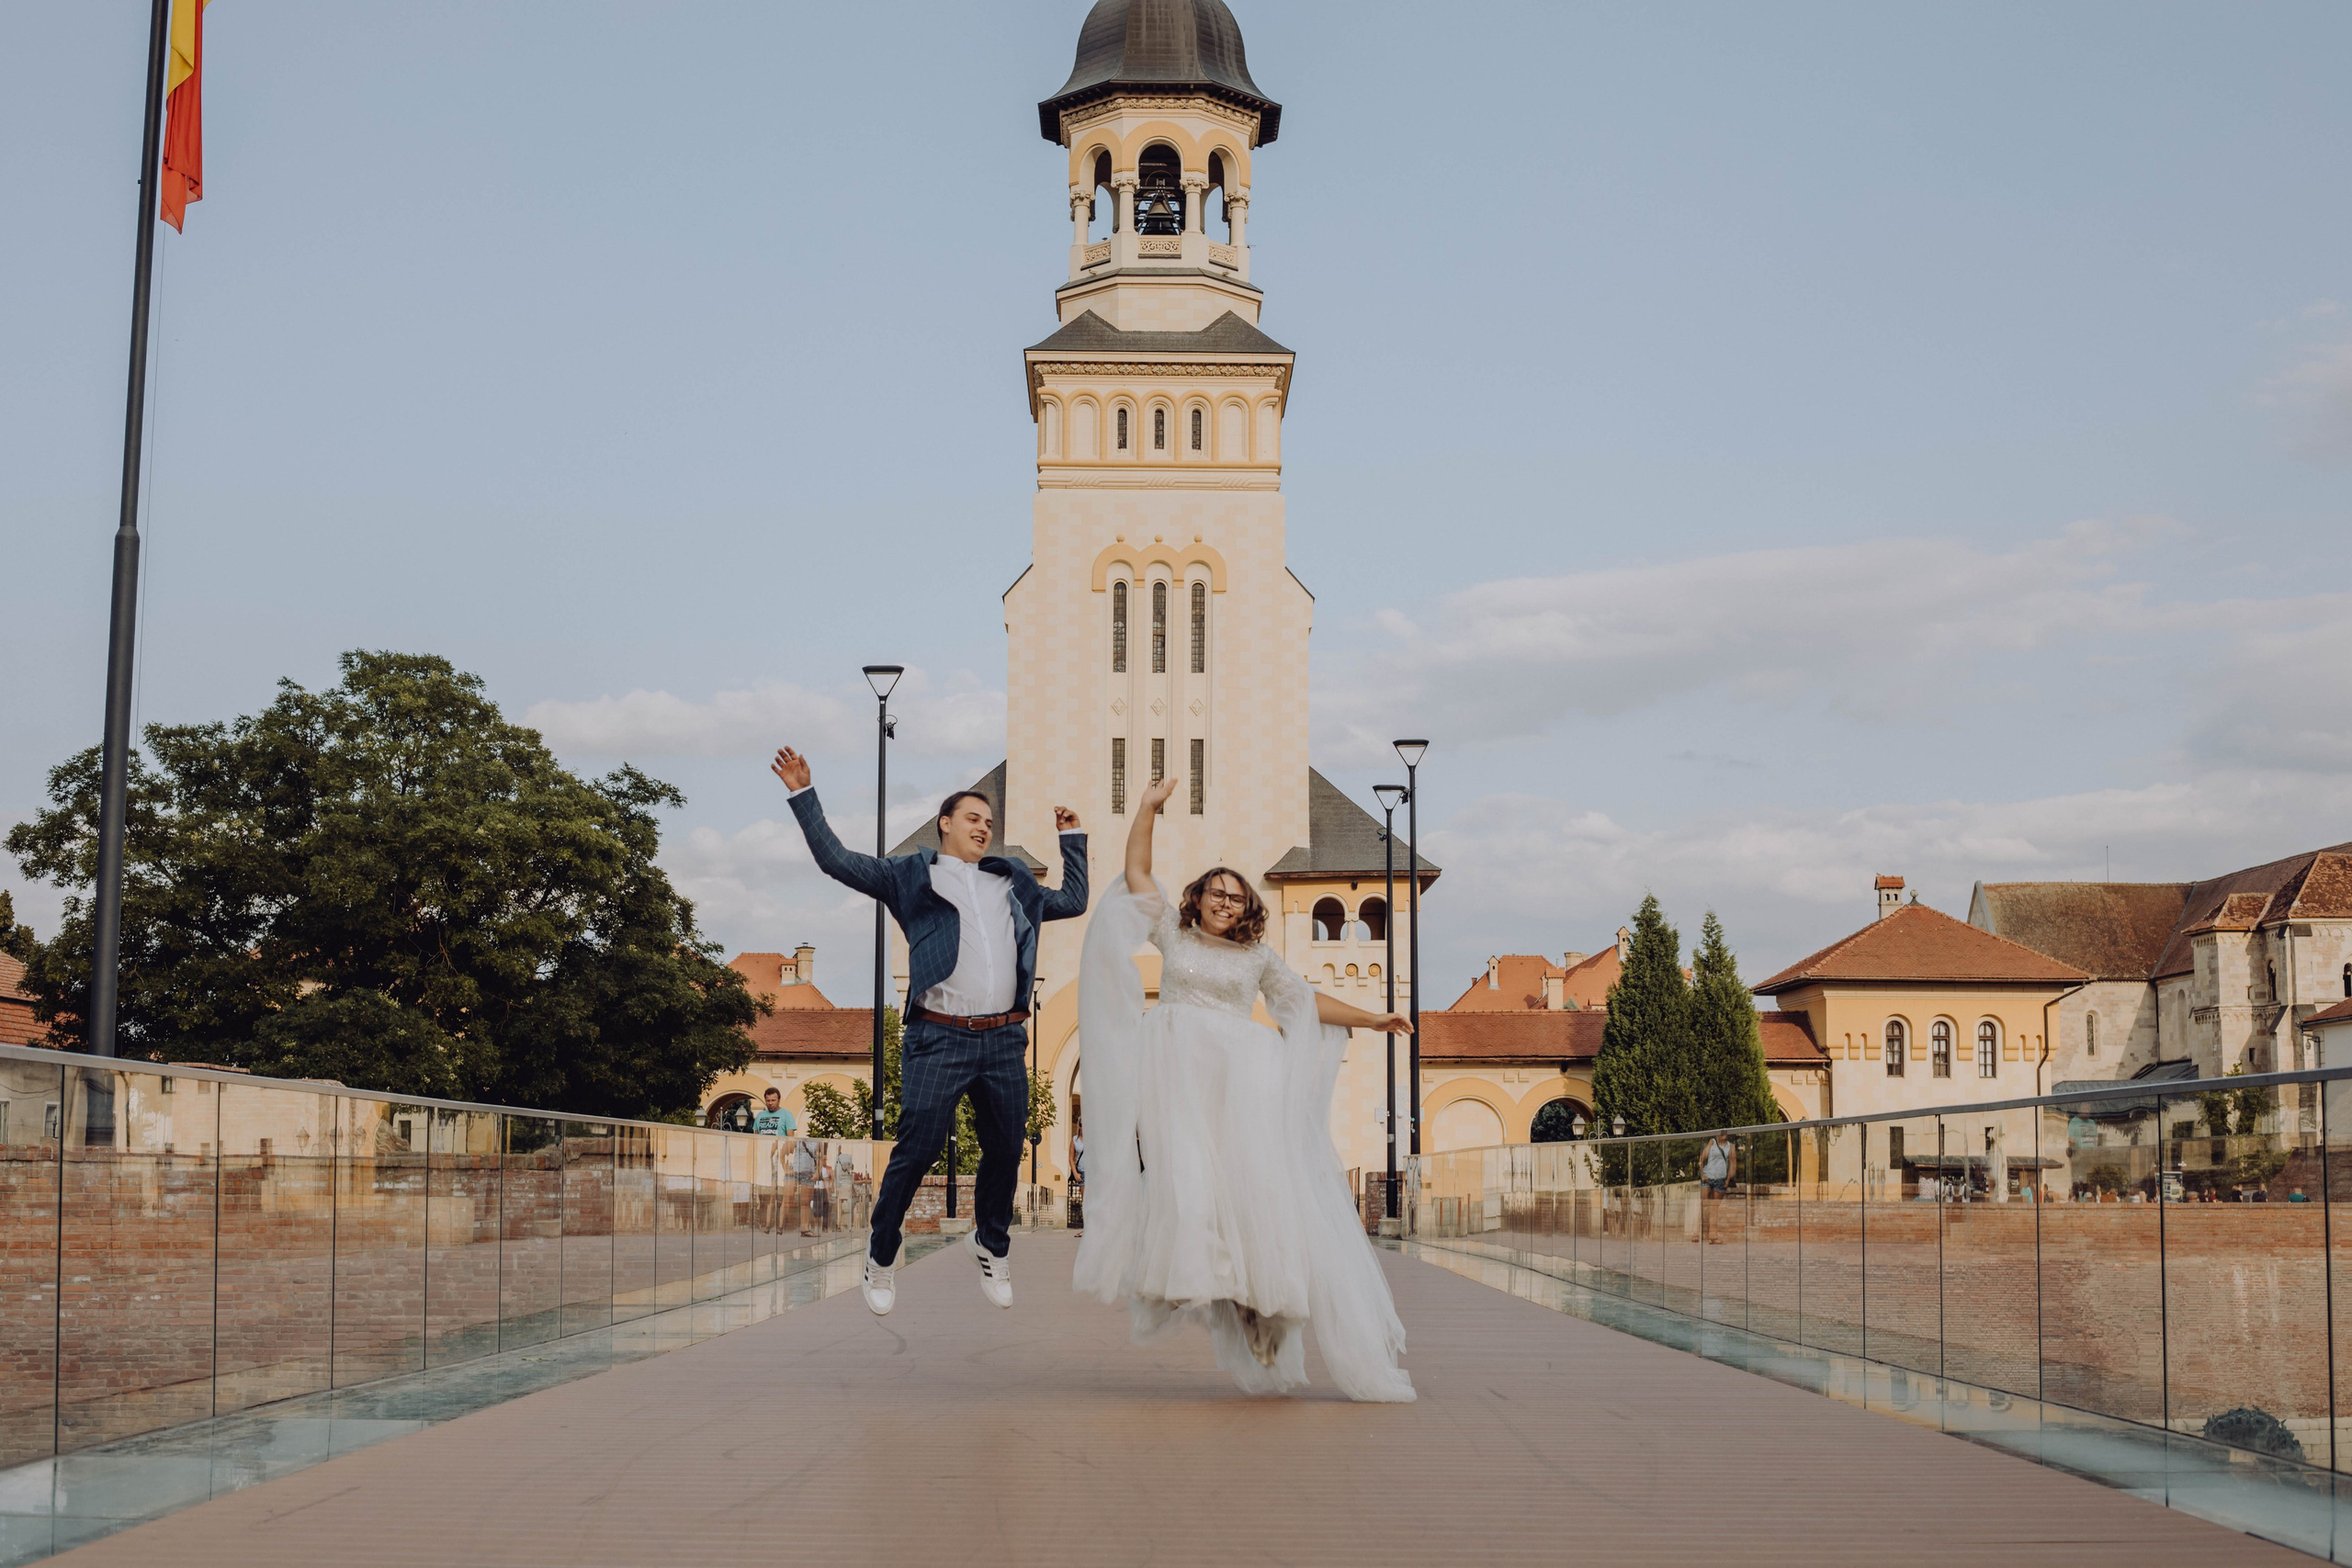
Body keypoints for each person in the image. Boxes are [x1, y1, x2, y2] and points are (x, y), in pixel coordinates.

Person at [1073, 774, 1417, 1403]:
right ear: (1198, 898)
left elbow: (1304, 1001)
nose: (1227, 902)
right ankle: (1193, 1285)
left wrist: (1373, 1017)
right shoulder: (1172, 935)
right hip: (1179, 1081)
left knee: (1254, 1194)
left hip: (1241, 1080)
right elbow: (1138, 870)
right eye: (1217, 892)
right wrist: (1147, 808)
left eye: (1237, 896)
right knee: (1189, 1187)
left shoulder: (1257, 958)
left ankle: (1264, 1311)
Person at [772, 746, 1087, 1315]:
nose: (983, 829)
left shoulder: (1011, 879)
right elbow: (837, 861)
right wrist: (804, 795)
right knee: (916, 1148)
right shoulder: (909, 875)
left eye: (989, 823)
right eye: (973, 819)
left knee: (1007, 1146)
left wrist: (1073, 839)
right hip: (938, 1036)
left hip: (1003, 1037)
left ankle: (990, 1243)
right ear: (945, 823)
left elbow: (1073, 900)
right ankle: (882, 1252)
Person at [753, 1089, 797, 1230]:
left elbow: (791, 1141)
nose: (770, 1103)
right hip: (764, 1162)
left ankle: (780, 1225)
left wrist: (784, 1158)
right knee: (768, 1195)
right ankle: (767, 1224)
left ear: (779, 1100)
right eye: (768, 1100)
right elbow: (755, 1136)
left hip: (780, 1160)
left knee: (781, 1194)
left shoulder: (786, 1114)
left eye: (773, 1100)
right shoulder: (760, 1115)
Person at [1701, 1132, 1735, 1199]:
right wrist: (1702, 1175)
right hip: (1707, 1178)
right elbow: (1701, 1158)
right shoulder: (1712, 1142)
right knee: (1704, 1206)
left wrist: (1727, 1180)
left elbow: (1732, 1165)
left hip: (1720, 1180)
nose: (1723, 1134)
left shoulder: (1731, 1146)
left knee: (1715, 1207)